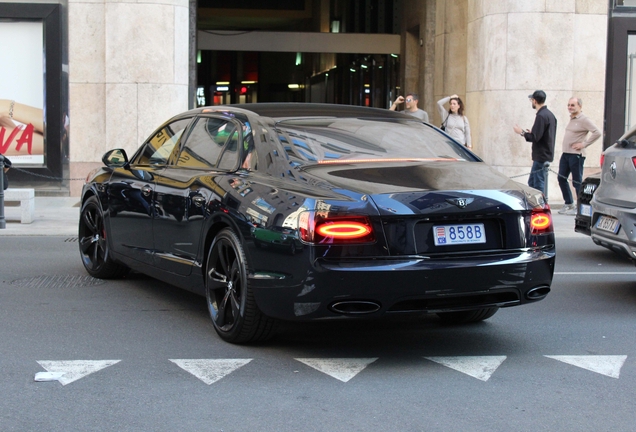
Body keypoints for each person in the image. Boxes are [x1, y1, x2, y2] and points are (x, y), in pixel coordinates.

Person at [556, 97, 601, 214]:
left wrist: (584, 144)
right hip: (566, 153)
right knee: (561, 178)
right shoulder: (572, 119)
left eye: (573, 105)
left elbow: (597, 132)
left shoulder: (584, 119)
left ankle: (580, 207)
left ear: (579, 106)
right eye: (569, 105)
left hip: (576, 155)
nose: (570, 107)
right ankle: (569, 203)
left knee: (576, 181)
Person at [513, 90, 557, 198]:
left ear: (535, 101)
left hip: (541, 155)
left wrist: (522, 132)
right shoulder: (550, 115)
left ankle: (540, 206)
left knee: (537, 185)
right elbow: (542, 134)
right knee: (532, 182)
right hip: (545, 154)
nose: (531, 102)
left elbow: (534, 138)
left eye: (531, 100)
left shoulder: (541, 116)